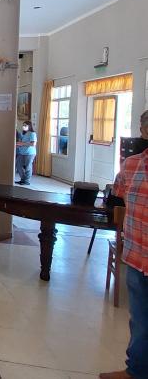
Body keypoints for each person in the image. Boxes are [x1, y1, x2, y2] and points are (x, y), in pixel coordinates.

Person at [100, 110, 148, 379]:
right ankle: (136, 371)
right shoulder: (131, 165)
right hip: (137, 255)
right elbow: (117, 194)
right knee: (140, 319)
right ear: (143, 131)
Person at [16, 120, 37, 185]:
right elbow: (21, 142)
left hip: (29, 153)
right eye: (23, 125)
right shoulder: (23, 133)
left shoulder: (32, 133)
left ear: (29, 126)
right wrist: (18, 144)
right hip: (22, 152)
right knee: (18, 165)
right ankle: (23, 179)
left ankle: (26, 181)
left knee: (28, 167)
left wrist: (22, 144)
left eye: (25, 125)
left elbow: (33, 144)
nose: (23, 126)